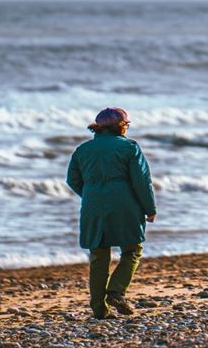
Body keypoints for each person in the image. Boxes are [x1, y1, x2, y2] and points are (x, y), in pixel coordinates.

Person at [66, 107, 157, 319]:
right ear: (121, 126)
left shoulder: (82, 150)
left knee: (98, 256)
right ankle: (116, 291)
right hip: (125, 205)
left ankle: (99, 309)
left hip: (92, 207)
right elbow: (142, 181)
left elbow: (72, 180)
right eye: (126, 125)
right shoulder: (130, 147)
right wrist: (150, 209)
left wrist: (90, 195)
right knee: (132, 249)